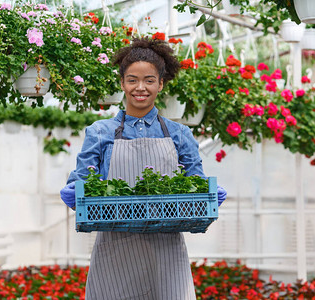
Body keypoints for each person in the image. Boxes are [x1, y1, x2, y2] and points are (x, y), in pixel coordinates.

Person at [60, 36, 227, 300]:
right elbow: (83, 178)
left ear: (161, 84)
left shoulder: (179, 134)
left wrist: (206, 193)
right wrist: (74, 191)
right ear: (122, 83)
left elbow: (195, 180)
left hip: (166, 249)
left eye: (149, 80)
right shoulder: (100, 132)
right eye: (132, 80)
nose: (141, 88)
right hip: (115, 249)